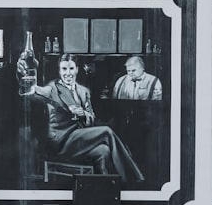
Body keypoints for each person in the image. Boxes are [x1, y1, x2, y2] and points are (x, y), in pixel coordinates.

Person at [22, 53, 144, 182]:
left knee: (103, 150)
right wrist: (26, 82)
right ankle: (130, 179)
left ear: (77, 69)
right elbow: (32, 92)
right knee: (107, 131)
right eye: (64, 69)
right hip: (61, 142)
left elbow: (91, 118)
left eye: (71, 68)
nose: (68, 73)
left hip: (79, 141)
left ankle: (103, 186)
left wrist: (84, 115)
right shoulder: (52, 89)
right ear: (59, 70)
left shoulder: (83, 91)